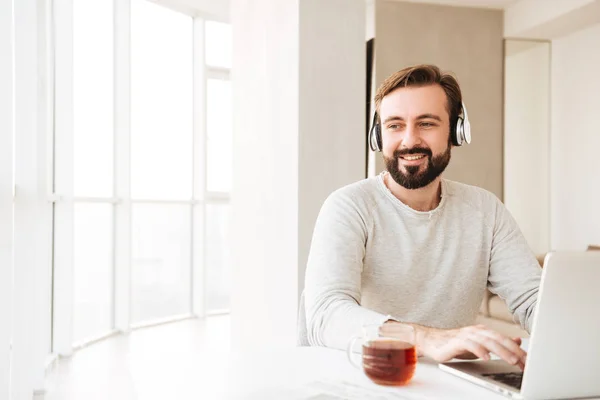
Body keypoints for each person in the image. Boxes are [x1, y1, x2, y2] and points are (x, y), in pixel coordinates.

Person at [303, 64, 541, 370]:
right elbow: (326, 314)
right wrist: (425, 338)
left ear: (457, 131)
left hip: (450, 384)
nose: (409, 140)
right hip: (362, 380)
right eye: (395, 125)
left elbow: (535, 302)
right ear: (378, 136)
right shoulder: (349, 206)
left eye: (426, 123)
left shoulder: (486, 210)